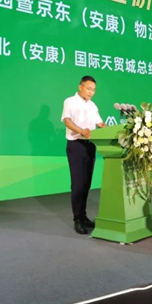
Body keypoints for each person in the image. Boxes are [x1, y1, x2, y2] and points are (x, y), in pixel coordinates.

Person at [61, 76, 105, 234]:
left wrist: (110, 129)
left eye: (93, 90)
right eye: (88, 89)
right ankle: (77, 219)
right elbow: (67, 121)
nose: (91, 92)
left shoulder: (93, 105)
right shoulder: (70, 101)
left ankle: (83, 216)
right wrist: (81, 131)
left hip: (90, 145)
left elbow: (100, 123)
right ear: (80, 87)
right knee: (78, 184)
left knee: (86, 183)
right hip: (76, 145)